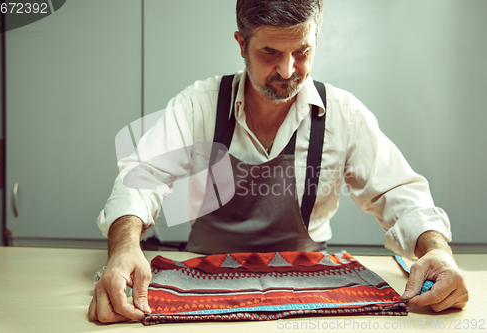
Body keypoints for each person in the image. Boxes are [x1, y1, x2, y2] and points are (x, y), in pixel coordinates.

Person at [88, 0, 468, 323]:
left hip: (309, 290)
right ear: (241, 44)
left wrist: (436, 250)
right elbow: (143, 175)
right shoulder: (198, 105)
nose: (287, 71)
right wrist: (123, 248)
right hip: (201, 280)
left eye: (302, 52)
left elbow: (398, 193)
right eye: (270, 53)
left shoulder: (343, 115)